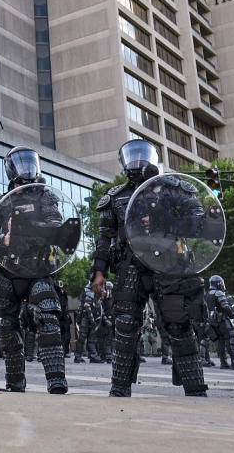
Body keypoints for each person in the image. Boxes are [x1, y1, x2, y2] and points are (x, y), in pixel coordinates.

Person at [91, 139, 209, 397]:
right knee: (124, 324)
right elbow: (104, 238)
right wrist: (98, 272)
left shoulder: (176, 190)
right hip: (131, 266)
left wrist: (165, 218)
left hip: (170, 264)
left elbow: (198, 223)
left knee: (179, 323)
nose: (136, 161)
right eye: (131, 157)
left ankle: (195, 388)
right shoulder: (115, 197)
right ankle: (119, 387)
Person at [0, 146, 69, 394]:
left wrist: (32, 229)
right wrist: (5, 237)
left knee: (48, 318)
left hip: (38, 267)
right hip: (7, 270)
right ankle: (15, 383)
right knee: (6, 327)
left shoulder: (45, 197)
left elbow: (57, 228)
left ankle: (56, 381)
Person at [204, 275, 234, 370]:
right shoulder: (218, 293)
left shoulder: (207, 294)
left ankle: (223, 363)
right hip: (222, 321)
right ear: (219, 283)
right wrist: (231, 314)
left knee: (220, 343)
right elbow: (225, 306)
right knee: (230, 340)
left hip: (212, 322)